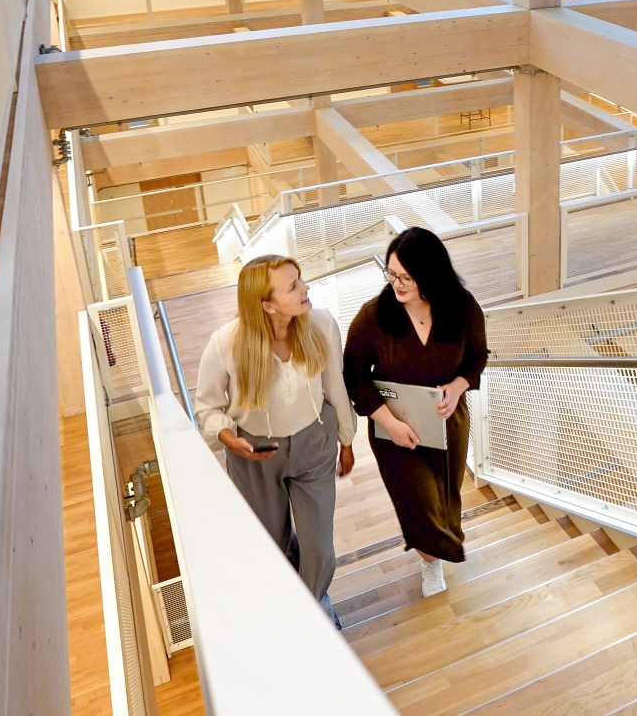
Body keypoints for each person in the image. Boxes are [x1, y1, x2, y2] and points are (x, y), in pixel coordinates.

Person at [195, 255, 355, 620]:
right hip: (256, 454)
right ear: (267, 305)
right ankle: (292, 597)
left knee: (320, 549)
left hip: (314, 445)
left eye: (300, 280)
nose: (306, 288)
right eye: (293, 286)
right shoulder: (225, 343)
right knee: (272, 543)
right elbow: (206, 406)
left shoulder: (322, 325)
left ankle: (312, 610)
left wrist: (346, 439)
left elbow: (335, 385)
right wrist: (228, 438)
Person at [343, 227, 488, 597]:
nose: (396, 284)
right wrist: (389, 424)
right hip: (393, 430)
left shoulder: (462, 307)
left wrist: (458, 387)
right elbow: (354, 377)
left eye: (406, 277)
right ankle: (431, 560)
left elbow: (476, 357)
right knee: (418, 504)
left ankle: (434, 552)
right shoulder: (374, 316)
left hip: (446, 422)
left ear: (431, 274)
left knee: (444, 497)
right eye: (391, 274)